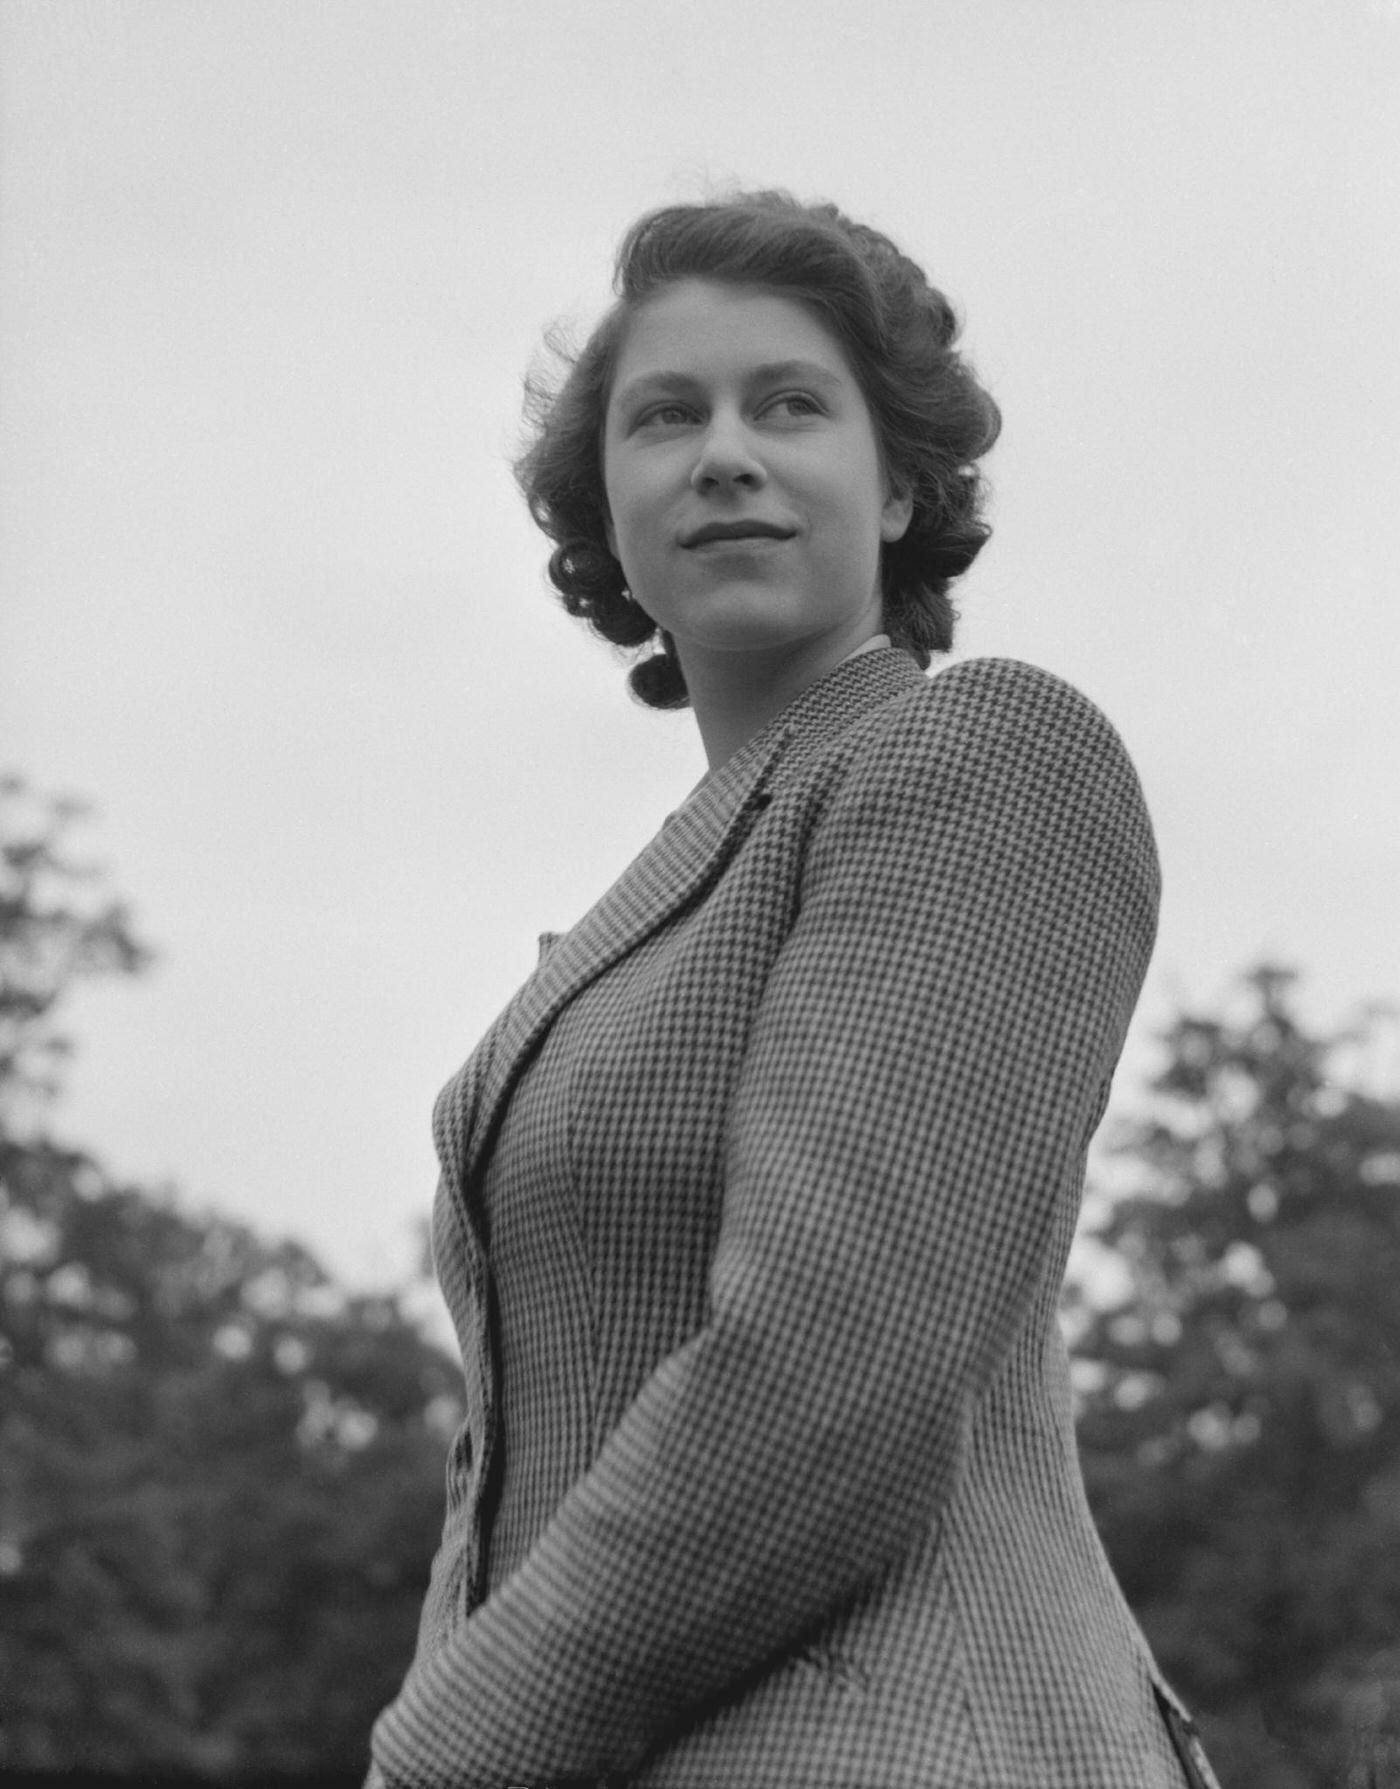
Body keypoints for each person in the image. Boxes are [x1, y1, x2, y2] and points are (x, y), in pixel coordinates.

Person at [367, 191, 1221, 1788]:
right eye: (665, 418)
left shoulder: (973, 757)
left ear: (899, 486)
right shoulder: (659, 896)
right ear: (604, 509)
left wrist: (438, 1758)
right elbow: (508, 1474)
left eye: (790, 404)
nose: (725, 453)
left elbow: (828, 1374)